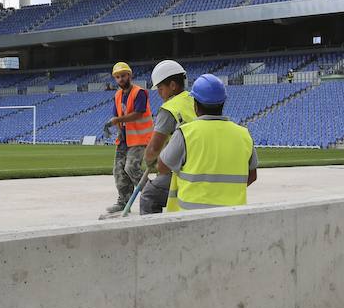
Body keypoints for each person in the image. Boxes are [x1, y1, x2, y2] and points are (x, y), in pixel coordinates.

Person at [158, 74, 257, 211]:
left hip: (192, 216)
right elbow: (252, 176)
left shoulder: (185, 133)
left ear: (195, 104)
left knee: (149, 196)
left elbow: (163, 167)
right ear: (223, 103)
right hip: (233, 215)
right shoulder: (244, 134)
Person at [140, 60, 196, 214]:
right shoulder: (195, 99)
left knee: (149, 195)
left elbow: (154, 148)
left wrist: (149, 160)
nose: (158, 92)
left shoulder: (169, 109)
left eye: (160, 87)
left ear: (172, 85)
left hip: (185, 170)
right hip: (200, 162)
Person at [105, 62, 154, 214]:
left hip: (139, 138)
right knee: (118, 170)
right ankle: (123, 201)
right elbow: (117, 115)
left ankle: (153, 195)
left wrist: (117, 121)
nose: (121, 79)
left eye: (123, 76)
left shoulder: (139, 92)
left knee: (131, 167)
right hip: (125, 139)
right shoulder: (118, 95)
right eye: (118, 77)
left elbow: (138, 113)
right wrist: (115, 124)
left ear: (130, 76)